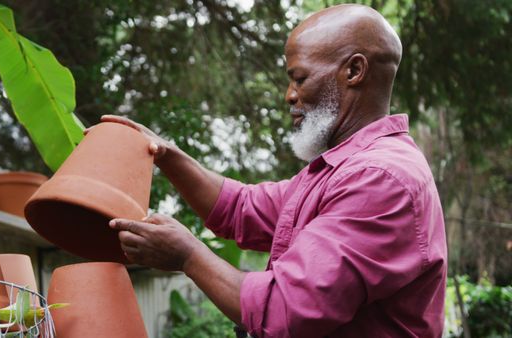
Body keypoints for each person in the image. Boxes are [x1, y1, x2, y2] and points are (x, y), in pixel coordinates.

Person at [106, 4, 447, 337]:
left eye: (300, 78)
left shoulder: (378, 178)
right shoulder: (341, 169)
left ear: (354, 71)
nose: (289, 95)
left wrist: (187, 255)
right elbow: (240, 208)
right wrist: (166, 154)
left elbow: (286, 310)